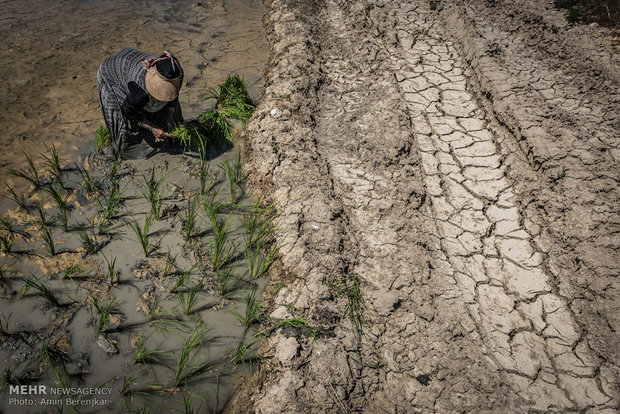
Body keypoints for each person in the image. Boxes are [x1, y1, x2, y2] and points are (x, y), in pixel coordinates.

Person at [97, 48, 184, 159]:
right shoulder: (140, 91)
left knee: (163, 113)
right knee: (128, 121)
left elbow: (173, 97)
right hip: (112, 71)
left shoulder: (176, 70)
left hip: (130, 62)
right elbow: (127, 111)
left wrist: (170, 117)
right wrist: (152, 128)